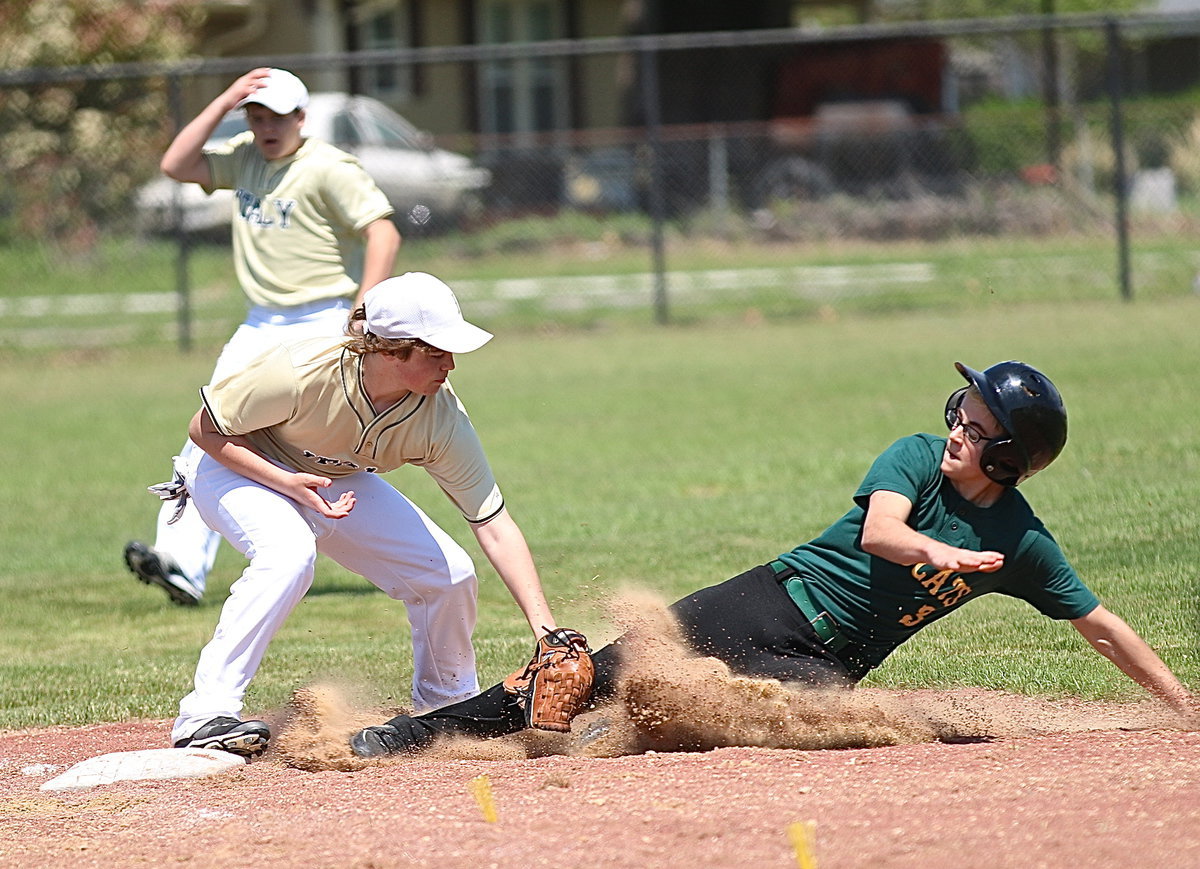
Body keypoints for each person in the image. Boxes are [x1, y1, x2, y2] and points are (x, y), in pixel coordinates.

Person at [350, 360, 1198, 757]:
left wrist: (1179, 708)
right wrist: (943, 550)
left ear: (1009, 461)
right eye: (960, 411)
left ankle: (606, 743)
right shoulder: (911, 457)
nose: (956, 429)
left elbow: (1100, 625)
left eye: (977, 428)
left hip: (829, 662)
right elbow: (882, 534)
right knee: (589, 673)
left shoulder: (1020, 542)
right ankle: (412, 734)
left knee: (756, 726)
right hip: (768, 601)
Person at [168, 272, 561, 757]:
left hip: (333, 479)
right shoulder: (300, 371)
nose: (451, 365)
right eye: (435, 352)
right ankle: (205, 713)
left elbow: (493, 523)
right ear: (390, 349)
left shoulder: (439, 418)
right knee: (288, 554)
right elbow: (205, 430)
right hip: (235, 464)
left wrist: (545, 628)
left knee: (448, 574)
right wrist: (283, 481)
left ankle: (447, 708)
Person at [125, 67, 402, 606]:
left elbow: (383, 231)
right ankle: (180, 563)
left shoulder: (328, 167)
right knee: (207, 429)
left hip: (322, 318)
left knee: (319, 439)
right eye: (257, 117)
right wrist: (226, 98)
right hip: (261, 321)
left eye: (278, 117)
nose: (267, 127)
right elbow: (175, 163)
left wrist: (362, 311)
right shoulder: (245, 154)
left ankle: (362, 544)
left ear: (301, 118)